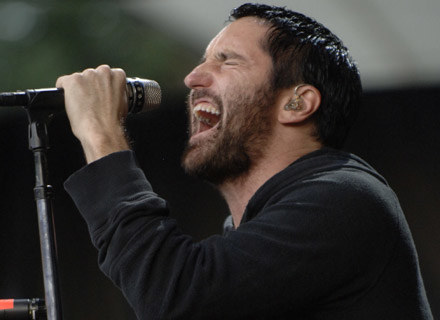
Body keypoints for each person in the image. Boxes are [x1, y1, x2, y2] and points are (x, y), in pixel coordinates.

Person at [57, 3, 433, 319]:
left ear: (296, 103)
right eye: (202, 61)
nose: (193, 77)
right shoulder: (263, 226)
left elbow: (173, 294)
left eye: (226, 61)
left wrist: (100, 133)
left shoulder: (344, 200)